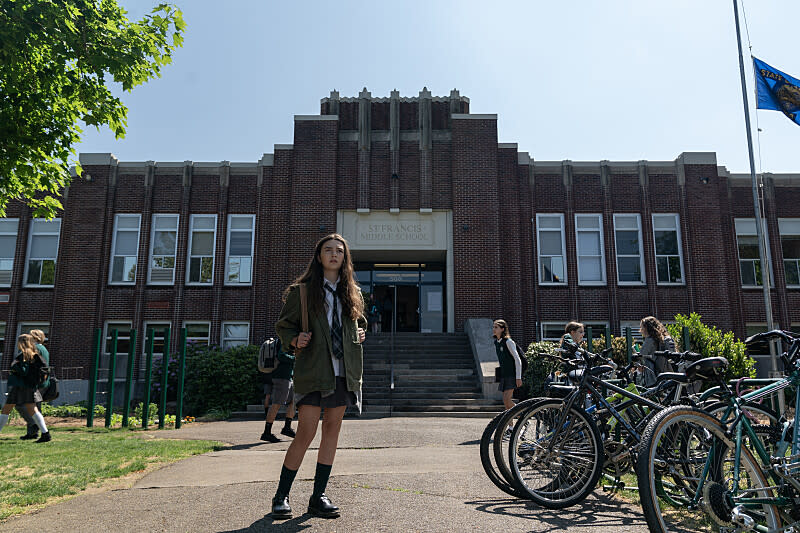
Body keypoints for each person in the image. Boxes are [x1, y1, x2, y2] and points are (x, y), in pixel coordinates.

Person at [271, 234, 367, 520]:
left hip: (343, 372)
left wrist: (361, 333)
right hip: (314, 370)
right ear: (319, 256)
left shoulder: (353, 293)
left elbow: (358, 324)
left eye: (340, 250)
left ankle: (318, 496)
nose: (334, 254)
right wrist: (294, 338)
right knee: (306, 431)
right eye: (329, 250)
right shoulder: (302, 292)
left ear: (345, 258)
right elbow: (283, 326)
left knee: (332, 431)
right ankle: (281, 496)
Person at [0, 334, 51, 442]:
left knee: (6, 409)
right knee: (33, 409)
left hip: (20, 386)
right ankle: (45, 433)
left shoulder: (24, 355)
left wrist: (14, 368)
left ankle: (45, 433)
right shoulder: (34, 354)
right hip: (30, 386)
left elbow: (23, 371)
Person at [17, 329, 49, 440]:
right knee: (35, 408)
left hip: (35, 383)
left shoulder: (36, 349)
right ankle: (32, 432)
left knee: (23, 405)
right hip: (43, 383)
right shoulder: (44, 349)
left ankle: (34, 426)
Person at [261, 346, 296, 443]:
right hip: (281, 377)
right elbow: (281, 356)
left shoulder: (290, 342)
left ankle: (287, 428)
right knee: (276, 404)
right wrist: (295, 358)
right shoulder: (284, 341)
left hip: (288, 377)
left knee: (293, 401)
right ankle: (266, 433)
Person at [492, 320, 522, 414]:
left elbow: (517, 360)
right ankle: (511, 427)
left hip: (512, 375)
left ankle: (523, 417)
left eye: (496, 327)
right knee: (505, 402)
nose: (494, 329)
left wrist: (518, 377)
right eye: (493, 327)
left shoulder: (508, 342)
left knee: (507, 399)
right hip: (504, 374)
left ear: (502, 329)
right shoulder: (496, 343)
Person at [638, 316, 676, 384]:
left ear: (646, 328)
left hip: (654, 375)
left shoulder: (649, 340)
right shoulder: (666, 338)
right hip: (669, 372)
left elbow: (641, 355)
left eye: (642, 327)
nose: (641, 330)